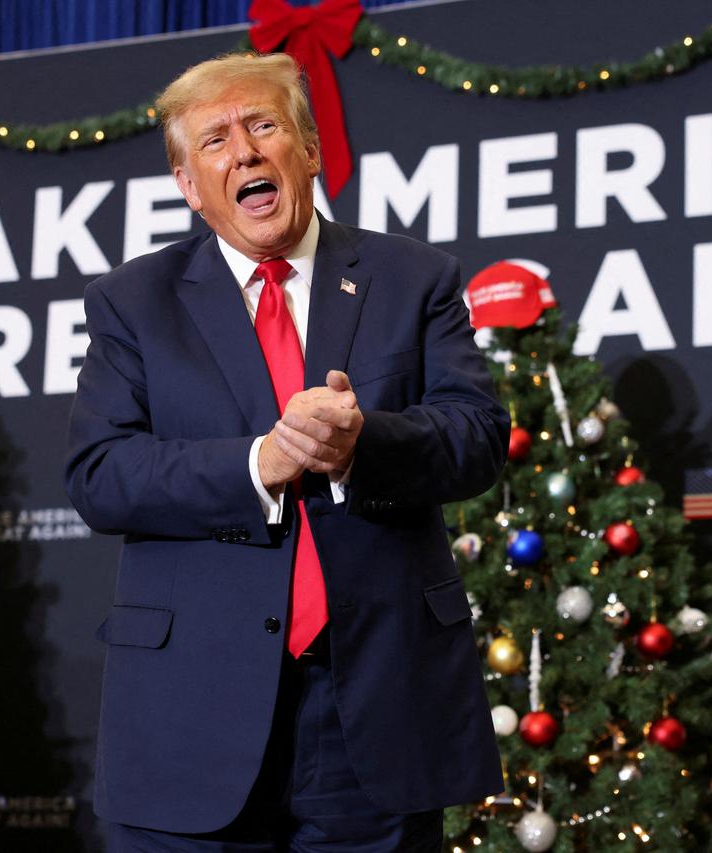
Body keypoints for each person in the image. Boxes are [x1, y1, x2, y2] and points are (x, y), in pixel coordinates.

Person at [64, 52, 508, 851]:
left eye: (263, 126)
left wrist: (359, 444)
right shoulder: (132, 303)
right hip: (189, 712)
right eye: (215, 141)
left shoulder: (413, 278)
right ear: (189, 185)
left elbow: (476, 436)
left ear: (308, 149)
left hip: (370, 709)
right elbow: (102, 473)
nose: (245, 152)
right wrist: (258, 463)